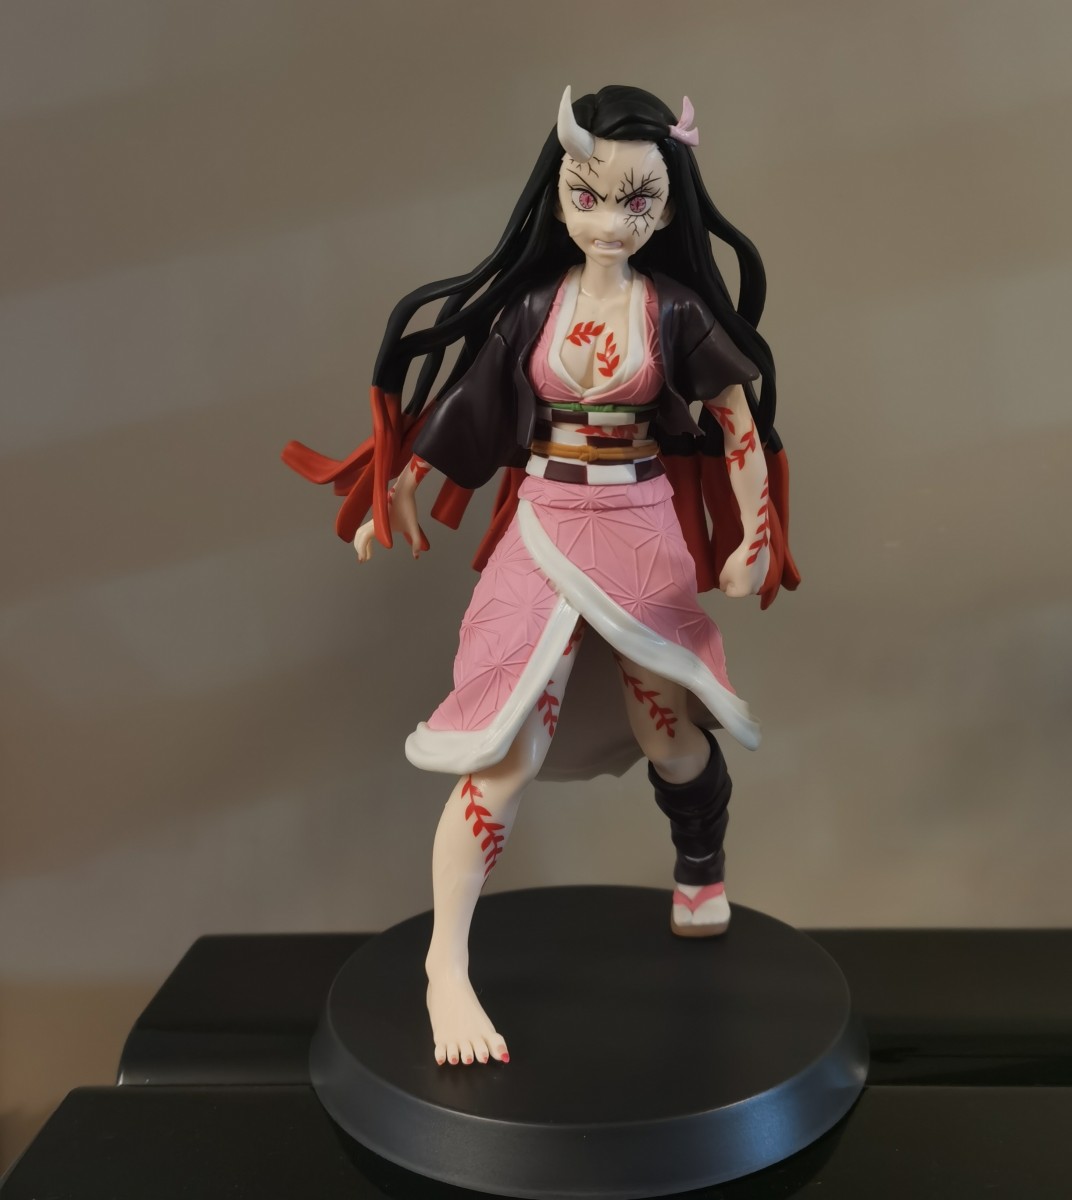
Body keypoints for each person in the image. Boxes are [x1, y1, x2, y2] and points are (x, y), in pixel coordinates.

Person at [284, 85, 800, 1067]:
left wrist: (754, 535)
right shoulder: (533, 310)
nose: (611, 220)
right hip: (546, 528)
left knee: (668, 733)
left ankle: (700, 853)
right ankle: (445, 966)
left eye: (637, 200)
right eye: (589, 195)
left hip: (639, 530)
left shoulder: (675, 311)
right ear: (558, 194)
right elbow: (472, 407)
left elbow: (737, 420)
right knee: (503, 747)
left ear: (667, 206)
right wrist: (402, 482)